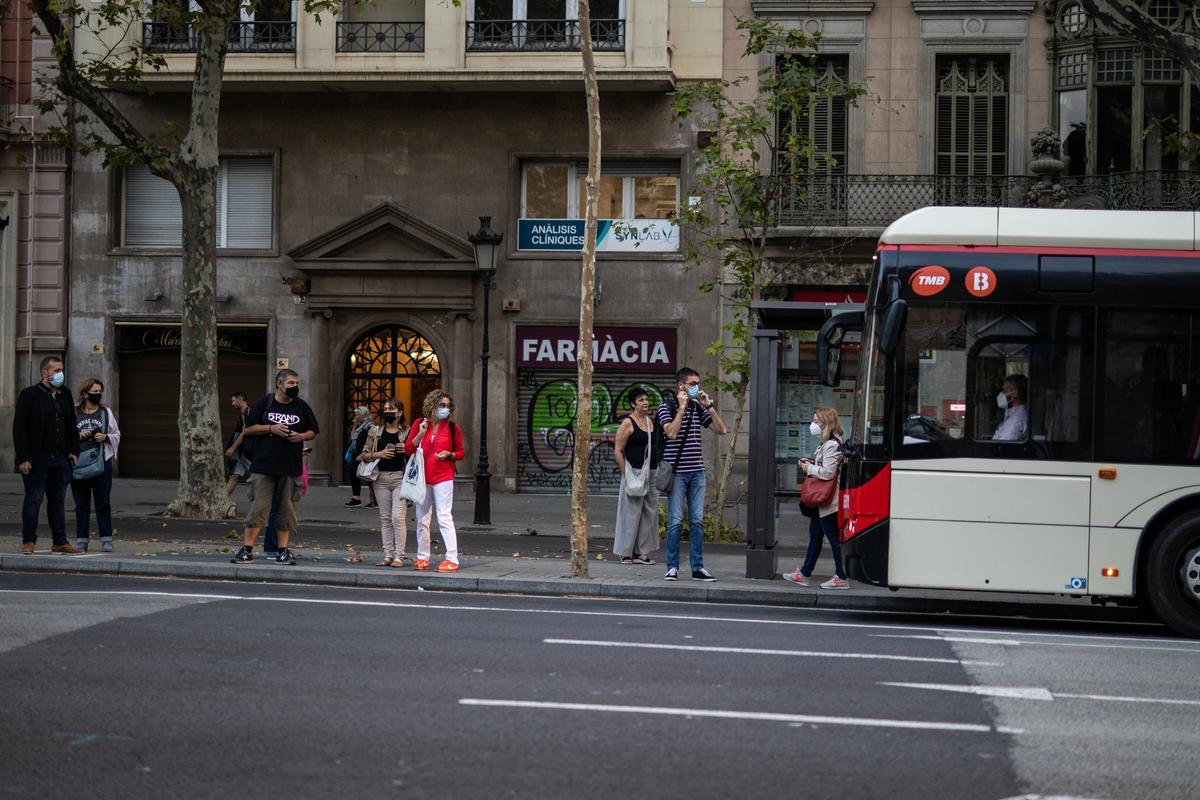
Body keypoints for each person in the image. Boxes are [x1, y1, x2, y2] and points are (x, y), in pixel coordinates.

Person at [230, 369, 319, 565]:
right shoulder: (264, 403)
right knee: (258, 508)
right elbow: (249, 429)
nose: (295, 387)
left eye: (297, 383)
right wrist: (271, 428)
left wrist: (301, 436)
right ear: (279, 384)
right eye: (291, 383)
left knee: (286, 510)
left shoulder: (302, 407)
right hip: (264, 466)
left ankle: (283, 551)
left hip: (290, 467)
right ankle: (247, 550)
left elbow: (313, 431)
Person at [657, 366, 727, 582]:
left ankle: (698, 567)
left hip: (697, 472)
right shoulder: (665, 407)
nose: (697, 387)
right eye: (693, 384)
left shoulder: (698, 408)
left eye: (698, 383)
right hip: (677, 473)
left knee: (697, 521)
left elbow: (721, 430)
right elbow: (671, 432)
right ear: (681, 386)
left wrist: (710, 406)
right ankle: (672, 567)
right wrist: (681, 407)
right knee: (676, 521)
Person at [13, 356, 82, 555]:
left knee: (58, 501)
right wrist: (23, 457)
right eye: (56, 370)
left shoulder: (65, 394)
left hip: (61, 458)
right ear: (44, 373)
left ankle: (60, 541)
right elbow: (20, 429)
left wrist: (74, 451)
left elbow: (71, 425)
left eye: (61, 369)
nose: (60, 374)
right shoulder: (29, 395)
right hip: (37, 459)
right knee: (33, 499)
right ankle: (28, 541)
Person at [783, 407, 849, 590]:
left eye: (816, 421)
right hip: (823, 502)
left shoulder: (832, 445)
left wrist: (808, 469)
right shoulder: (828, 443)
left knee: (833, 539)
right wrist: (811, 464)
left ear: (826, 422)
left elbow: (828, 473)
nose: (813, 425)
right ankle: (804, 573)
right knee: (816, 537)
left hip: (828, 502)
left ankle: (841, 577)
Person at [403, 389, 464, 572]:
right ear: (432, 405)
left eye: (447, 405)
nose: (445, 408)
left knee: (444, 517)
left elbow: (460, 453)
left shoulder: (453, 428)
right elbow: (407, 449)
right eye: (441, 405)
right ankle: (423, 557)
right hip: (423, 478)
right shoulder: (419, 424)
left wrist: (450, 454)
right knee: (422, 519)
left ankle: (452, 559)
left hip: (443, 476)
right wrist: (420, 435)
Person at [612, 387, 664, 565]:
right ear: (633, 403)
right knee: (631, 512)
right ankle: (626, 552)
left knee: (649, 512)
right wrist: (626, 473)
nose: (645, 403)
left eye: (646, 399)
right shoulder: (628, 423)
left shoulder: (649, 422)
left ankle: (641, 552)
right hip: (634, 473)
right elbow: (618, 451)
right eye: (641, 400)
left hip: (652, 472)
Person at [71, 378, 122, 552]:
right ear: (85, 394)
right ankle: (81, 540)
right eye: (94, 391)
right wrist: (78, 436)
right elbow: (64, 436)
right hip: (78, 463)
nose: (98, 394)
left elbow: (116, 434)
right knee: (81, 503)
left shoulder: (105, 412)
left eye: (100, 391)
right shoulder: (73, 412)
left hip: (101, 463)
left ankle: (106, 539)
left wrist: (105, 437)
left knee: (103, 502)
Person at [358, 399, 410, 567]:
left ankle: (399, 556)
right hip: (380, 479)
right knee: (385, 518)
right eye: (386, 408)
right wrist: (378, 454)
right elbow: (363, 455)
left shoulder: (407, 431)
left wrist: (406, 448)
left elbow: (417, 453)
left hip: (400, 478)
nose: (387, 411)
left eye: (391, 409)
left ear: (400, 413)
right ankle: (388, 555)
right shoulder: (374, 431)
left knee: (397, 517)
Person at [344, 406, 373, 507]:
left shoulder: (369, 427)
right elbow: (353, 438)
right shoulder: (360, 427)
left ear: (364, 415)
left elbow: (371, 442)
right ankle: (356, 498)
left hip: (365, 455)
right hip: (356, 455)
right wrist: (354, 426)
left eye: (357, 414)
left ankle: (373, 499)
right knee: (353, 474)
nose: (355, 416)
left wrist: (363, 455)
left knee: (368, 476)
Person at [224, 392, 250, 496]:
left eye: (234, 401)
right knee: (234, 475)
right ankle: (223, 501)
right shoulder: (244, 413)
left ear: (240, 399)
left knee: (257, 474)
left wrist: (233, 448)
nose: (232, 404)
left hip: (242, 450)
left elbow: (245, 432)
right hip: (240, 450)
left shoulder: (247, 414)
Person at [993, 374, 1028, 441]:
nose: (1001, 394)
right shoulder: (1012, 416)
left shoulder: (1016, 420)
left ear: (1014, 393)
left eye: (1004, 391)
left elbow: (1003, 446)